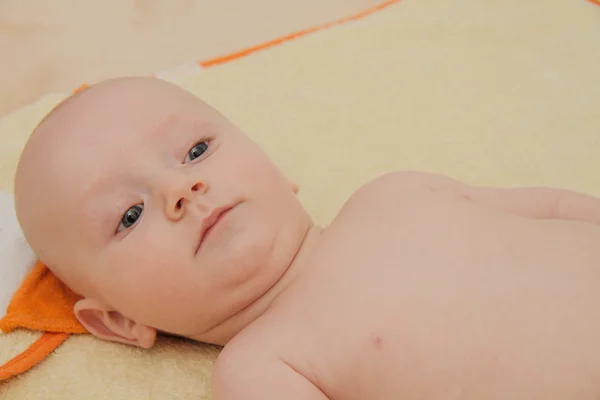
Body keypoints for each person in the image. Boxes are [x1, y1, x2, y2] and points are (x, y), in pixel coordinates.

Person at [14, 77, 600, 399]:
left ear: (279, 173)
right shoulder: (263, 367)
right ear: (118, 322)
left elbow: (549, 207)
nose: (182, 188)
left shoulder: (394, 193)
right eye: (130, 215)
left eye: (196, 151)